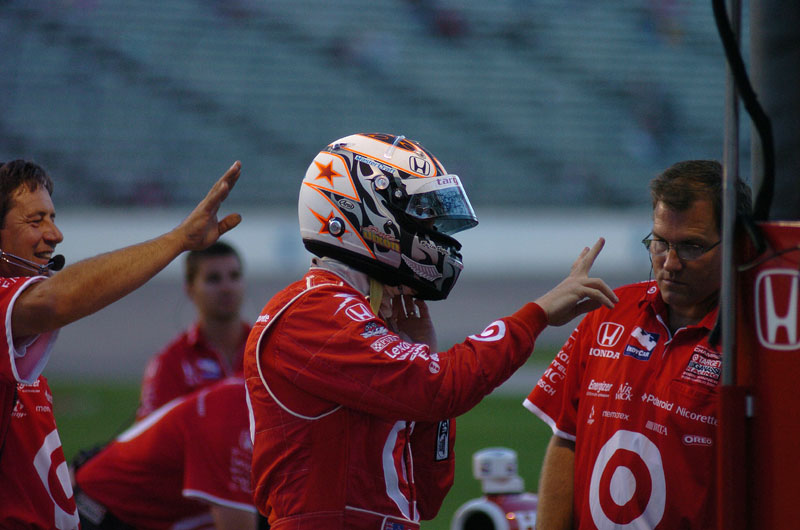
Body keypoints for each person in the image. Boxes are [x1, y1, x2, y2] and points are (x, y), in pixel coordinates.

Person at [243, 133, 618, 529]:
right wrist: (536, 315)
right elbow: (440, 387)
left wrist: (422, 349)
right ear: (363, 210)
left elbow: (426, 494)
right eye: (418, 216)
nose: (434, 233)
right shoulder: (311, 311)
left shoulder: (345, 313)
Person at [0, 158, 241, 529]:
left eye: (52, 217)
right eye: (36, 221)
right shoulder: (171, 361)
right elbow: (53, 301)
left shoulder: (255, 342)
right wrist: (179, 239)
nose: (55, 234)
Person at [524, 160, 752, 529]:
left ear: (738, 244)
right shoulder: (606, 316)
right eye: (660, 242)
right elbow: (566, 439)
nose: (671, 263)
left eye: (692, 246)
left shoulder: (754, 343)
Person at [74, 377, 258, 529]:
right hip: (109, 512)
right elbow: (237, 522)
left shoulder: (243, 400)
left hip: (154, 511)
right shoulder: (231, 420)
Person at [137, 240, 250, 419]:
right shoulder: (169, 363)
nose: (227, 288)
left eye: (234, 276)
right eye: (213, 279)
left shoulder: (267, 349)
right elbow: (149, 440)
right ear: (190, 289)